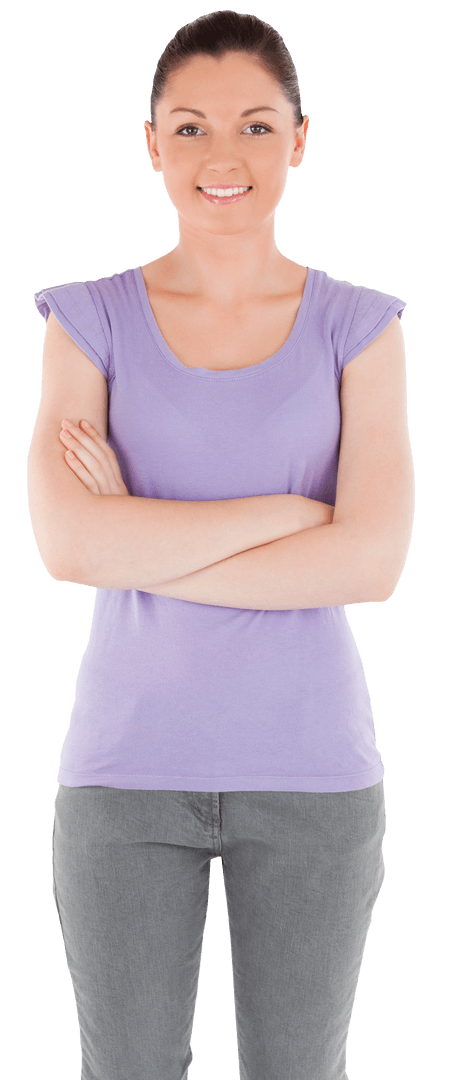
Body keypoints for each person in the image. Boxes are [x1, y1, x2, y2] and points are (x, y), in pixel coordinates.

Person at [28, 10, 415, 1080]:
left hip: (313, 778)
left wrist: (140, 537)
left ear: (298, 138)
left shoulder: (360, 327)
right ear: (151, 144)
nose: (222, 157)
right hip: (122, 777)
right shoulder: (87, 319)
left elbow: (372, 563)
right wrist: (291, 515)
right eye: (189, 129)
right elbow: (67, 545)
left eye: (253, 124)